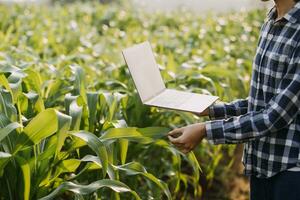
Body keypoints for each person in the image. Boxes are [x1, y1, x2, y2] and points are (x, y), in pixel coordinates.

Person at [168, 0, 300, 199]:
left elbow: (275, 115)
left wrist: (205, 130)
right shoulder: (272, 20)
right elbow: (262, 102)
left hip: (290, 172)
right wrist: (212, 110)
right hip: (261, 166)